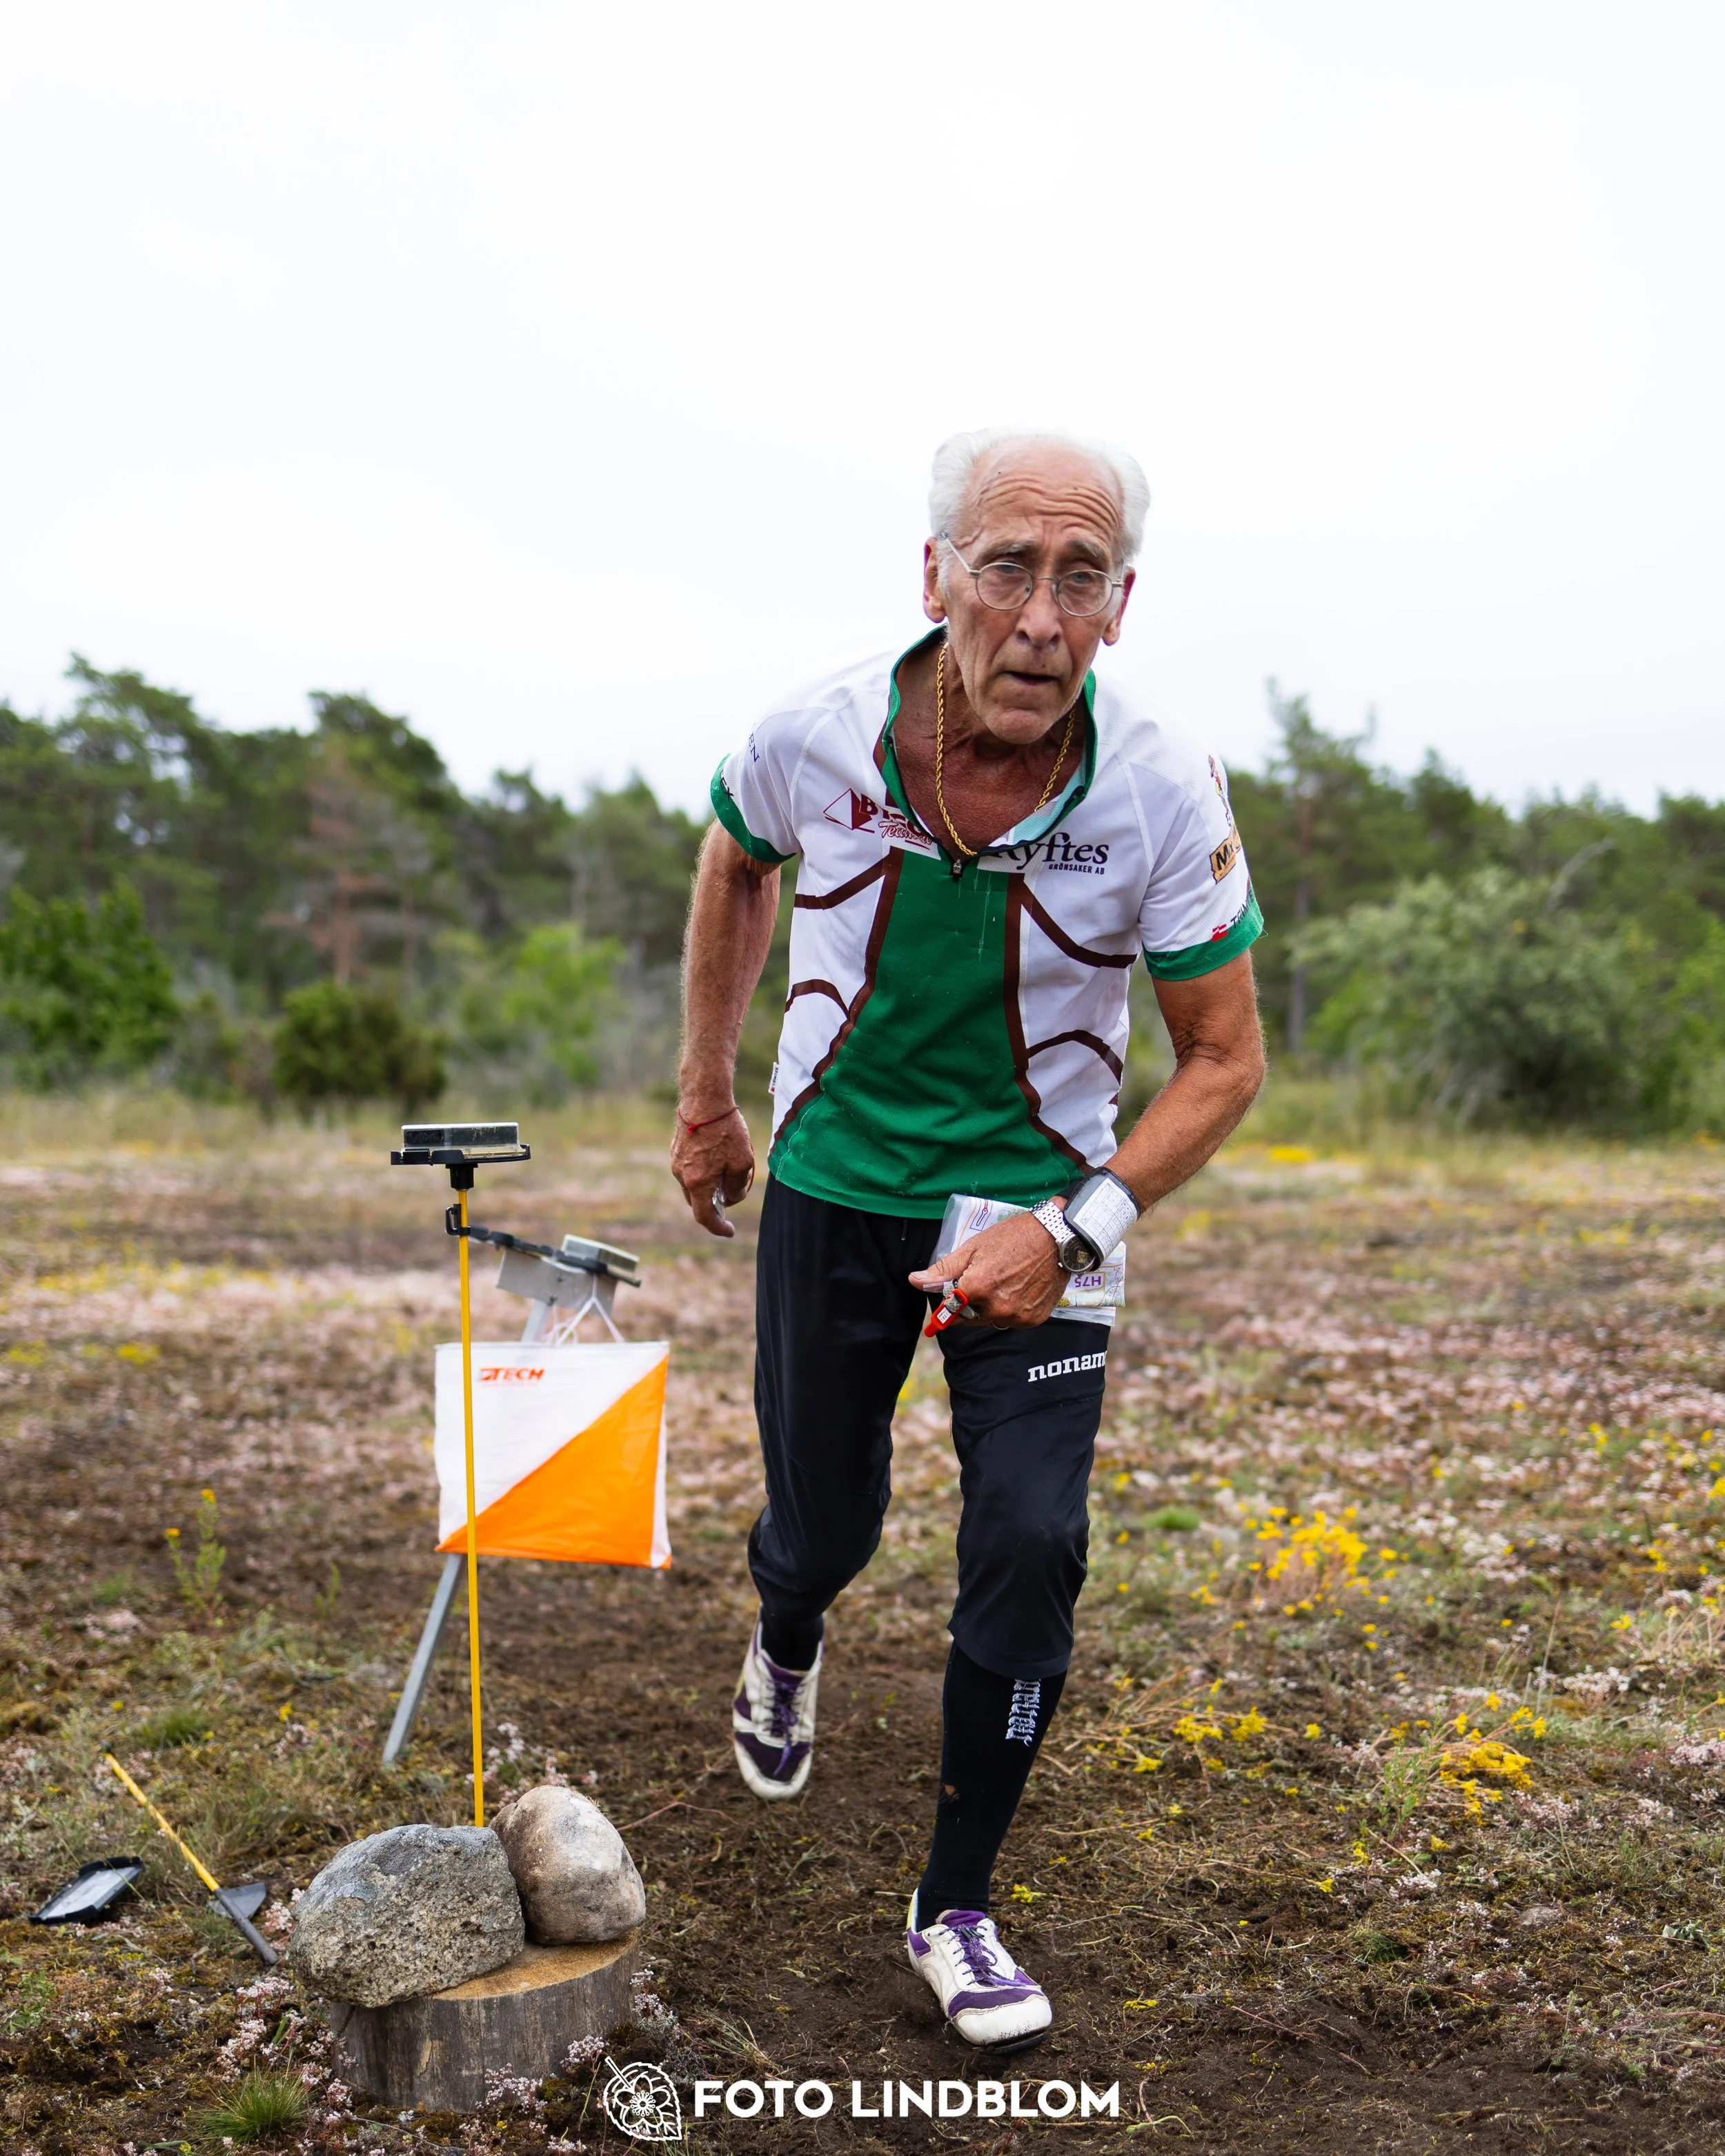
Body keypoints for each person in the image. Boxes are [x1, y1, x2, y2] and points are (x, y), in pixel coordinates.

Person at [671, 428, 1265, 2050]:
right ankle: (786, 1627)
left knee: (1029, 1536)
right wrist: (707, 1091)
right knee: (824, 1525)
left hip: (1038, 1208)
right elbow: (734, 859)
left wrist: (1072, 1231)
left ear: (1122, 603)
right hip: (838, 1183)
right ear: (935, 576)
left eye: (1082, 578)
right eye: (1007, 568)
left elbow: (1222, 1058)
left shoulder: (1159, 781)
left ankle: (953, 1904)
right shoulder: (816, 730)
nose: (1040, 618)